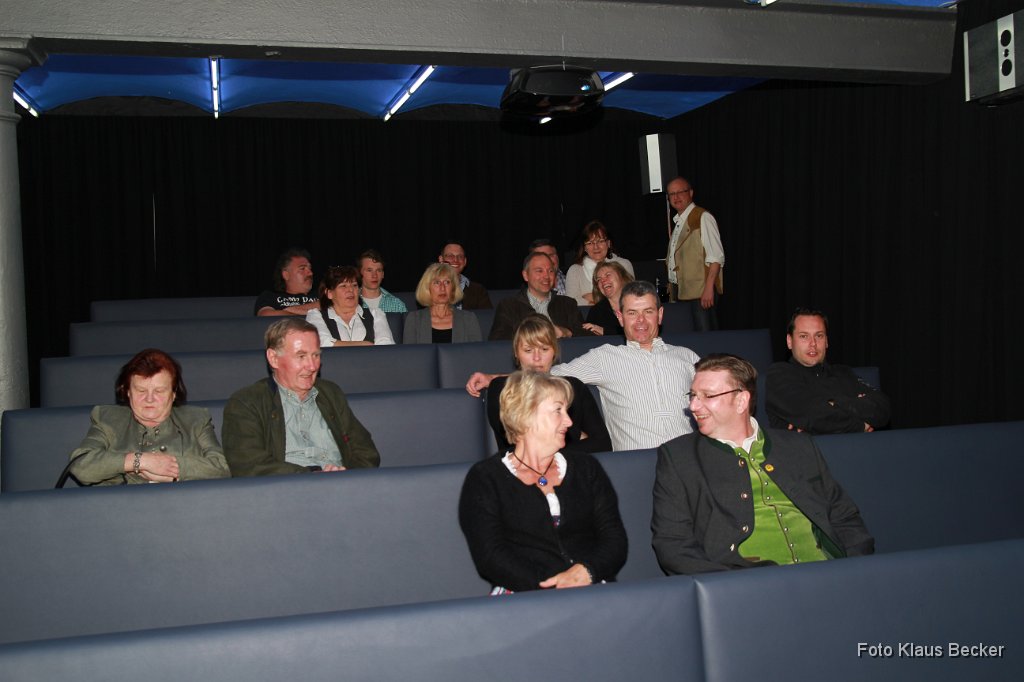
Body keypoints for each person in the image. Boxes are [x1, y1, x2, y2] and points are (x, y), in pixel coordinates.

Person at [652, 354, 874, 575]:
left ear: (741, 401)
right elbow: (673, 545)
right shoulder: (679, 458)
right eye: (693, 395)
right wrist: (725, 587)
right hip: (746, 583)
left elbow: (844, 516)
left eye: (707, 396)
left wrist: (854, 569)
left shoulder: (798, 446)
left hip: (826, 573)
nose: (693, 406)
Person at [470, 281, 699, 451]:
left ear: (660, 314)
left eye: (648, 312)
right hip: (636, 460)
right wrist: (493, 378)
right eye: (632, 313)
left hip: (692, 459)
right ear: (620, 317)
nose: (640, 321)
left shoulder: (687, 357)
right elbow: (544, 373)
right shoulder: (605, 357)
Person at [459, 371, 627, 593]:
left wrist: (588, 571)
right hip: (524, 594)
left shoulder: (587, 468)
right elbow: (491, 556)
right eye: (558, 410)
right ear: (525, 415)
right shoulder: (486, 478)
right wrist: (552, 586)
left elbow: (614, 540)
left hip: (590, 586)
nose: (569, 421)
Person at [222, 318, 380, 476]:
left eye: (316, 355)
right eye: (301, 356)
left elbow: (366, 452)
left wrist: (347, 475)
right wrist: (310, 475)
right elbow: (248, 464)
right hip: (287, 487)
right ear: (273, 358)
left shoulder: (330, 393)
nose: (312, 366)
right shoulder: (247, 402)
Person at [67, 349, 230, 485]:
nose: (149, 399)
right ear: (128, 391)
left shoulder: (196, 419)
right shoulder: (108, 419)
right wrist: (140, 461)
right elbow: (80, 465)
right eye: (141, 391)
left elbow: (224, 468)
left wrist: (175, 470)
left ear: (173, 393)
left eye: (159, 391)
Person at [485, 315, 611, 454]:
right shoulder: (502, 388)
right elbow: (518, 442)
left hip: (573, 467)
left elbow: (603, 444)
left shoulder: (574, 387)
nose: (537, 358)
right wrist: (576, 434)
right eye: (528, 350)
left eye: (544, 349)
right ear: (517, 353)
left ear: (554, 352)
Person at [766, 309, 890, 434]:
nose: (813, 343)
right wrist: (861, 426)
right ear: (789, 341)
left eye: (819, 336)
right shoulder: (779, 374)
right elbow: (814, 416)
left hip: (855, 446)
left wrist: (835, 403)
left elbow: (883, 408)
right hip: (809, 447)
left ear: (826, 341)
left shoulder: (843, 372)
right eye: (804, 336)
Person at [665, 177, 724, 331]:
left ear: (690, 193)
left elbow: (716, 257)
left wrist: (709, 288)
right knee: (690, 337)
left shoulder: (702, 217)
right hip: (683, 292)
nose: (676, 197)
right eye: (672, 194)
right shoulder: (679, 222)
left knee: (706, 336)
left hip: (700, 292)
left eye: (681, 192)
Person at [488, 251, 588, 340]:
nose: (546, 276)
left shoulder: (567, 304)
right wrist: (534, 334)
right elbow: (498, 340)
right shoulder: (509, 306)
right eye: (539, 271)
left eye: (550, 271)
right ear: (525, 275)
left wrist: (566, 332)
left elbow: (587, 338)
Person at [306, 265, 395, 347]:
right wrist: (366, 344)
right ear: (329, 293)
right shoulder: (316, 315)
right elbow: (322, 343)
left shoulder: (375, 314)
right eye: (343, 286)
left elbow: (386, 345)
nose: (350, 290)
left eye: (354, 285)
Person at [403, 262, 482, 344]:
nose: (442, 288)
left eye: (447, 282)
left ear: (453, 288)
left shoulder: (468, 319)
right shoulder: (414, 320)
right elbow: (410, 352)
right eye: (437, 282)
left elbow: (476, 351)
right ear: (427, 288)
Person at [565, 221, 635, 306]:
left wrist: (592, 297)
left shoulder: (624, 264)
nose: (596, 247)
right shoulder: (575, 270)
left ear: (608, 243)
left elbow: (630, 295)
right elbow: (570, 303)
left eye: (600, 241)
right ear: (585, 248)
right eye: (590, 243)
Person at [254, 247, 319, 316]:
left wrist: (289, 310)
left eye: (310, 268)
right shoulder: (270, 297)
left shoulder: (320, 295)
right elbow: (266, 315)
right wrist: (308, 313)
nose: (310, 273)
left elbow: (325, 305)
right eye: (302, 268)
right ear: (286, 275)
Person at [582, 261, 634, 337]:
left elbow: (641, 332)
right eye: (599, 279)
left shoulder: (639, 304)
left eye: (608, 275)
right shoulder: (596, 311)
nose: (603, 281)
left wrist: (605, 331)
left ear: (622, 277)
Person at [439, 240, 492, 309]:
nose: (455, 260)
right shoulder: (429, 287)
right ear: (441, 259)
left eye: (460, 256)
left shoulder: (478, 291)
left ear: (465, 261)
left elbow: (486, 315)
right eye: (450, 256)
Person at [357, 249, 407, 313]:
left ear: (383, 274)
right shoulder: (350, 302)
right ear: (359, 273)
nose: (374, 275)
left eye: (378, 270)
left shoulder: (397, 305)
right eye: (369, 270)